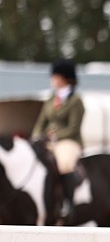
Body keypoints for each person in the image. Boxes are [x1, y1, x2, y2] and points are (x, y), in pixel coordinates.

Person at [31, 59, 86, 218]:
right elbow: (41, 122)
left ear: (64, 78)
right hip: (47, 141)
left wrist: (55, 137)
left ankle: (69, 204)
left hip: (68, 141)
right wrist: (36, 136)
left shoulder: (76, 101)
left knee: (64, 164)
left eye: (55, 76)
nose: (52, 79)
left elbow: (73, 128)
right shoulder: (51, 98)